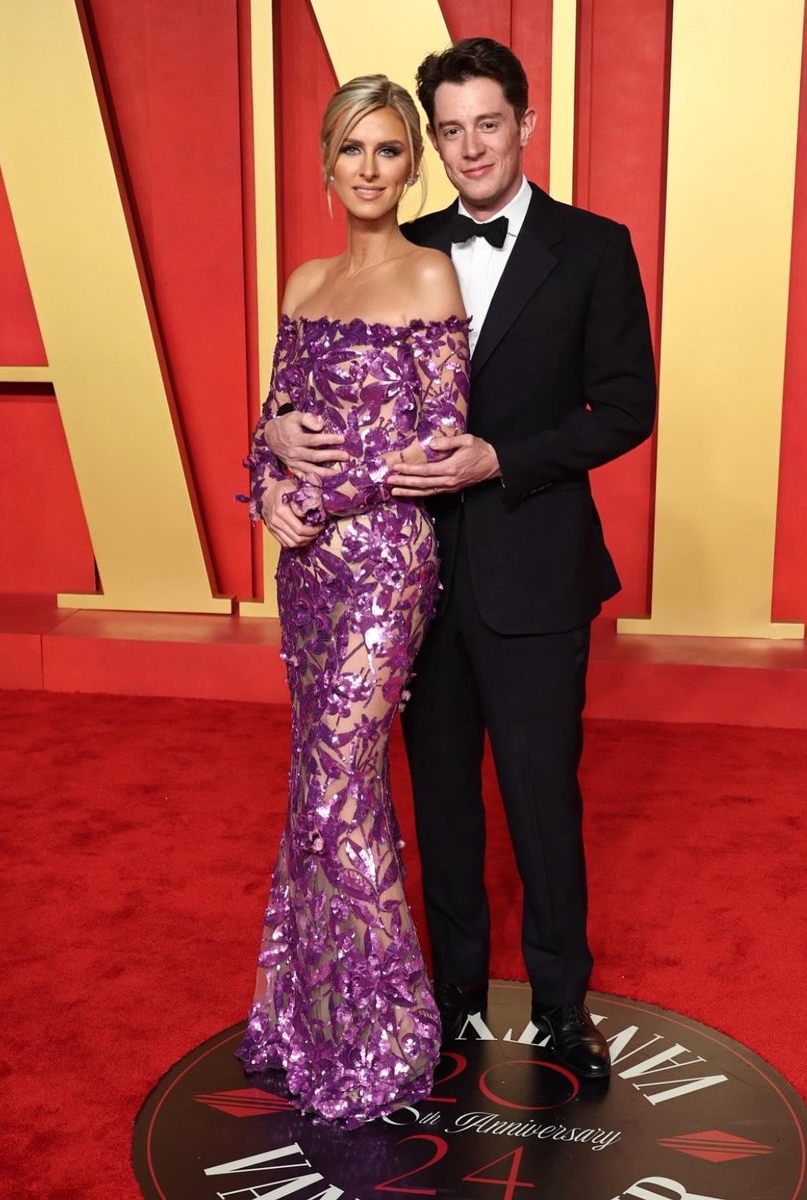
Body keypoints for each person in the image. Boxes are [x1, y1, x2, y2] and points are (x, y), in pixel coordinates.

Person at [266, 38, 655, 1082]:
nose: (470, 144)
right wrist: (280, 446)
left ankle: (563, 1007)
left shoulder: (595, 247)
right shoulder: (404, 242)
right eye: (450, 129)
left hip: (533, 568)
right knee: (439, 798)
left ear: (527, 125)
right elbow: (316, 399)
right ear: (427, 143)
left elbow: (627, 407)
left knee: (540, 793)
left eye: (490, 122)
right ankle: (451, 996)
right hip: (412, 577)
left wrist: (502, 455)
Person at [237, 74, 469, 1125]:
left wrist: (313, 491)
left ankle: (386, 1039)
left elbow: (434, 450)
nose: (369, 169)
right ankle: (305, 1017)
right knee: (317, 788)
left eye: (388, 150)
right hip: (309, 575)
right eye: (351, 151)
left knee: (340, 784)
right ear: (324, 164)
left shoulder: (431, 280)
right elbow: (272, 419)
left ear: (410, 162)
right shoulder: (302, 282)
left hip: (384, 563)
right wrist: (271, 475)